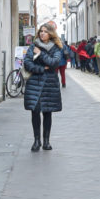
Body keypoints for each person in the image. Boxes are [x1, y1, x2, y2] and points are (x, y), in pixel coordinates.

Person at [23, 24, 67, 152]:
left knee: (48, 112)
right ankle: (37, 141)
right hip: (35, 83)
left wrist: (41, 54)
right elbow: (27, 63)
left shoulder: (57, 48)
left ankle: (46, 141)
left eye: (45, 32)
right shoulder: (33, 46)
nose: (42, 33)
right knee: (35, 112)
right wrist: (42, 69)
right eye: (41, 31)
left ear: (51, 34)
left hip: (50, 84)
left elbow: (54, 63)